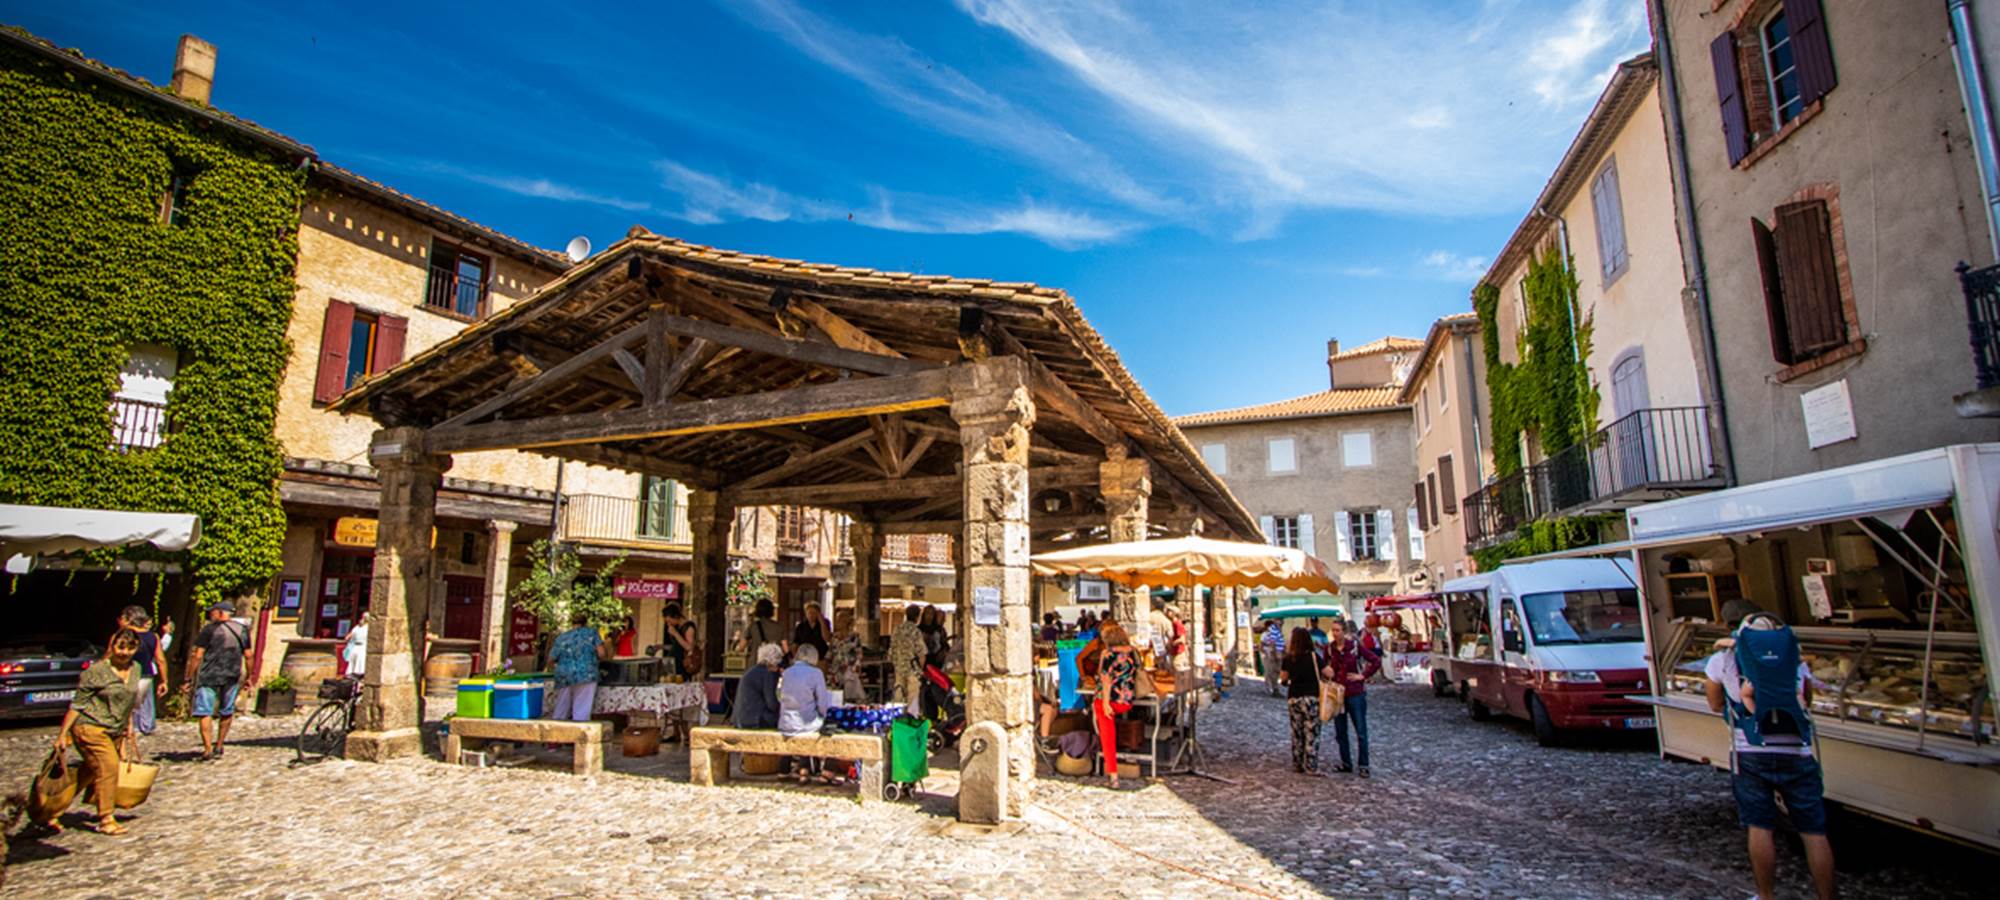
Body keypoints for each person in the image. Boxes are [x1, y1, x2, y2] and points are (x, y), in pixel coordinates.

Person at [1705, 608, 1836, 900]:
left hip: (1749, 750)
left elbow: (1714, 703)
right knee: (1814, 832)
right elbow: (1808, 701)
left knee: (1760, 826)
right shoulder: (1795, 664)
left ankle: (1766, 895)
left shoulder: (1724, 660)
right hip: (1797, 751)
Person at [48, 629, 143, 834]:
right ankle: (106, 818)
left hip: (114, 729)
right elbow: (77, 705)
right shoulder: (96, 672)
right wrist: (63, 734)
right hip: (90, 727)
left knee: (87, 775)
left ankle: (49, 811)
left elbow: (127, 701)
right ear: (112, 645)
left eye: (130, 647)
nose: (125, 652)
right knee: (108, 767)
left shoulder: (136, 669)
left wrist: (129, 727)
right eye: (121, 647)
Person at [185, 600, 251, 761]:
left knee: (205, 711)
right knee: (227, 711)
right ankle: (220, 744)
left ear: (221, 612)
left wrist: (188, 677)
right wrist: (249, 675)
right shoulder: (241, 630)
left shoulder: (209, 630)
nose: (210, 614)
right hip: (232, 675)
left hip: (209, 675)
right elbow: (249, 655)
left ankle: (208, 748)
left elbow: (198, 655)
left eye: (213, 612)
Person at [1325, 618, 1381, 777]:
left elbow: (1375, 660)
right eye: (1333, 630)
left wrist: (1362, 675)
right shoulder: (1329, 649)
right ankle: (1346, 762)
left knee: (1361, 731)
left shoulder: (1355, 648)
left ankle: (1363, 764)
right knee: (1340, 731)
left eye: (1338, 630)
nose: (1335, 633)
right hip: (1338, 695)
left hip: (1355, 693)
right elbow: (1327, 668)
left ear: (1344, 631)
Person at [778, 644, 839, 783]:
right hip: (806, 724)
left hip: (786, 723)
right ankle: (827, 771)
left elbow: (780, 696)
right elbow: (823, 704)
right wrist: (822, 715)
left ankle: (803, 769)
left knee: (804, 724)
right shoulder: (816, 673)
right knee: (834, 730)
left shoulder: (786, 672)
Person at [1092, 621, 1139, 789]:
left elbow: (1105, 679)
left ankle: (1113, 776)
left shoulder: (1108, 654)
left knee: (1107, 736)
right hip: (1126, 700)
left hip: (1109, 700)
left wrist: (1104, 702)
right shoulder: (1133, 652)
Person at [1279, 626, 1327, 776]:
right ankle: (1311, 765)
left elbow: (1284, 678)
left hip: (1294, 697)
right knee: (1312, 732)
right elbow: (1328, 672)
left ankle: (1297, 763)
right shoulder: (1313, 657)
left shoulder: (1288, 658)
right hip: (1311, 697)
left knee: (1297, 732)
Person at [548, 612, 609, 722]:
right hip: (587, 673)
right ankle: (579, 732)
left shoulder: (562, 637)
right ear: (586, 623)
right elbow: (602, 653)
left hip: (564, 675)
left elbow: (551, 658)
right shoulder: (592, 634)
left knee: (561, 707)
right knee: (582, 709)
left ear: (572, 623)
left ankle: (556, 732)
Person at [118, 606, 166, 738]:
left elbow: (110, 655)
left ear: (129, 619)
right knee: (145, 701)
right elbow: (160, 660)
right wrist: (164, 680)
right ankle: (146, 726)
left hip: (127, 673)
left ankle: (130, 727)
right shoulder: (153, 637)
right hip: (146, 673)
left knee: (128, 703)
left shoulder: (123, 635)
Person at [733, 643, 783, 729]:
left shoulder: (751, 672)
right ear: (774, 662)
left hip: (739, 719)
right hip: (756, 720)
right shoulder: (767, 674)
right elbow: (772, 703)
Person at [889, 609, 926, 704]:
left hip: (899, 667)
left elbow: (892, 650)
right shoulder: (915, 631)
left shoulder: (897, 629)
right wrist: (920, 670)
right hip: (912, 668)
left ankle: (898, 715)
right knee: (913, 697)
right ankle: (911, 716)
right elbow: (921, 653)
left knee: (899, 693)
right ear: (917, 617)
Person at [660, 602, 699, 679]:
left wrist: (675, 634)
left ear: (676, 616)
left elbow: (689, 647)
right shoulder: (676, 627)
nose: (669, 624)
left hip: (682, 663)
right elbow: (677, 645)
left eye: (669, 621)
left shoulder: (688, 627)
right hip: (673, 662)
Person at [1258, 619, 1286, 696]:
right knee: (1269, 671)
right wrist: (1265, 653)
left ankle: (1275, 687)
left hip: (1277, 654)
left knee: (1276, 671)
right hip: (1269, 654)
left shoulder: (1279, 634)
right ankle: (1270, 687)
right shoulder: (1265, 635)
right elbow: (1261, 645)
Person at [342, 615, 369, 679]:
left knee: (360, 661)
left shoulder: (368, 627)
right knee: (352, 661)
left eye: (363, 618)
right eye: (361, 618)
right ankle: (351, 675)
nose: (361, 620)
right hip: (355, 646)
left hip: (363, 646)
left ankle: (359, 676)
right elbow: (348, 636)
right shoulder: (357, 627)